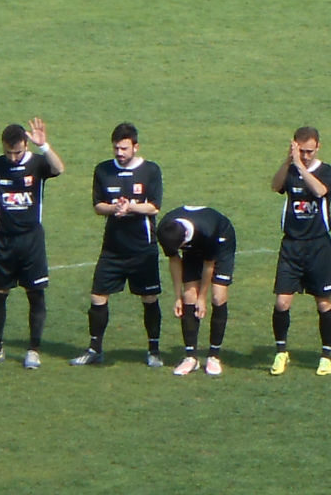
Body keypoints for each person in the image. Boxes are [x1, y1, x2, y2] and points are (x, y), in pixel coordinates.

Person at [0, 117, 64, 370]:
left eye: (17, 152)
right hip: (4, 241)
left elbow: (59, 169)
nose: (13, 157)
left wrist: (45, 146)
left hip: (31, 241)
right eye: (9, 152)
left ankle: (33, 350)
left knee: (35, 294)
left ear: (25, 147)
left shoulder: (38, 164)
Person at [72, 123, 164, 369]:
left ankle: (154, 350)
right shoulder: (103, 170)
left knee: (149, 297)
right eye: (116, 148)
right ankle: (95, 349)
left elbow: (154, 206)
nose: (119, 153)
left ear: (136, 146)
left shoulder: (151, 171)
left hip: (143, 249)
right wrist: (114, 208)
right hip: (112, 249)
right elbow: (97, 205)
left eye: (124, 148)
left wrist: (131, 207)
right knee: (98, 296)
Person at [269, 126, 331, 375]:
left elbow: (320, 191)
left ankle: (326, 355)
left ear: (318, 147)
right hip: (291, 245)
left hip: (318, 245)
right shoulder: (289, 169)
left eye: (310, 151)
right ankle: (281, 352)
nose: (306, 155)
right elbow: (275, 186)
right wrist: (288, 162)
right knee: (282, 302)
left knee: (323, 303)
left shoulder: (327, 171)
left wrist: (300, 166)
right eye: (302, 150)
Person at [156, 205, 236, 376]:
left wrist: (202, 298)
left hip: (221, 241)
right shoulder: (165, 230)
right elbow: (175, 261)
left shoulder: (208, 232)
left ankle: (213, 356)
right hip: (193, 246)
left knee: (218, 297)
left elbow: (209, 265)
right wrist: (177, 297)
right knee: (188, 296)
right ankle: (190, 357)